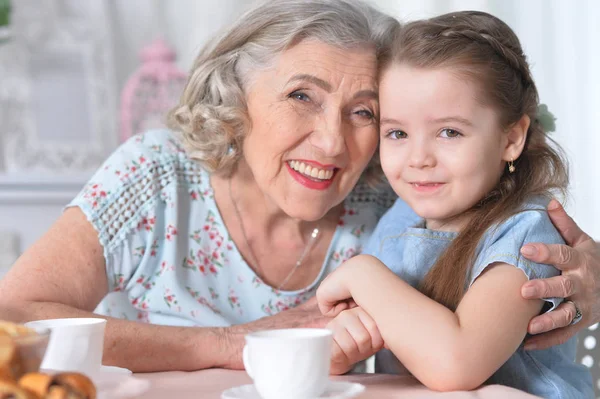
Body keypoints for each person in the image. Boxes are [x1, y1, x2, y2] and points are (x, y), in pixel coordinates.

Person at [0, 0, 597, 374]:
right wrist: (229, 344)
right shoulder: (157, 177)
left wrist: (590, 279)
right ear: (237, 97)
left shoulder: (395, 196)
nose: (334, 142)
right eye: (300, 96)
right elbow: (13, 317)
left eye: (364, 113)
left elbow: (506, 242)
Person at [316, 10, 593, 397]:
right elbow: (381, 339)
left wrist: (362, 274)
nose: (418, 158)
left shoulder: (526, 235)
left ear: (511, 139)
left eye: (449, 132)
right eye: (397, 132)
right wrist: (341, 348)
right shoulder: (401, 217)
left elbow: (456, 365)